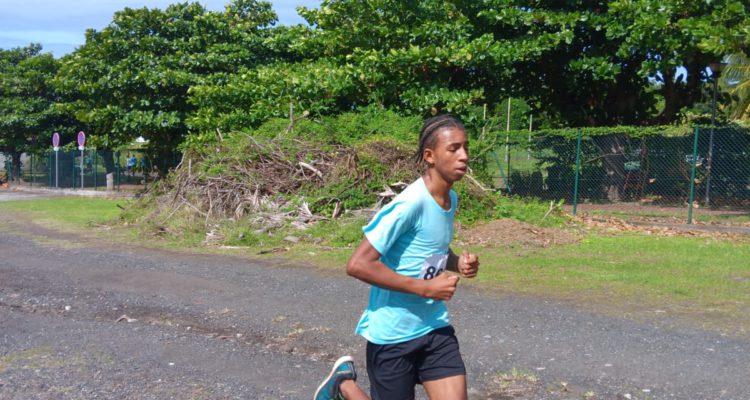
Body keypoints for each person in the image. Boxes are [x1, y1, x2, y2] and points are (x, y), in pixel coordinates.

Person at [314, 115, 480, 400]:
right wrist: (425, 288)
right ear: (430, 156)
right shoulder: (409, 204)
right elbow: (358, 264)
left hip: (434, 326)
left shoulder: (450, 199)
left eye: (465, 147)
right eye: (453, 149)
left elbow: (430, 251)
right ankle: (344, 386)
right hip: (393, 336)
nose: (464, 155)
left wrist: (457, 263)